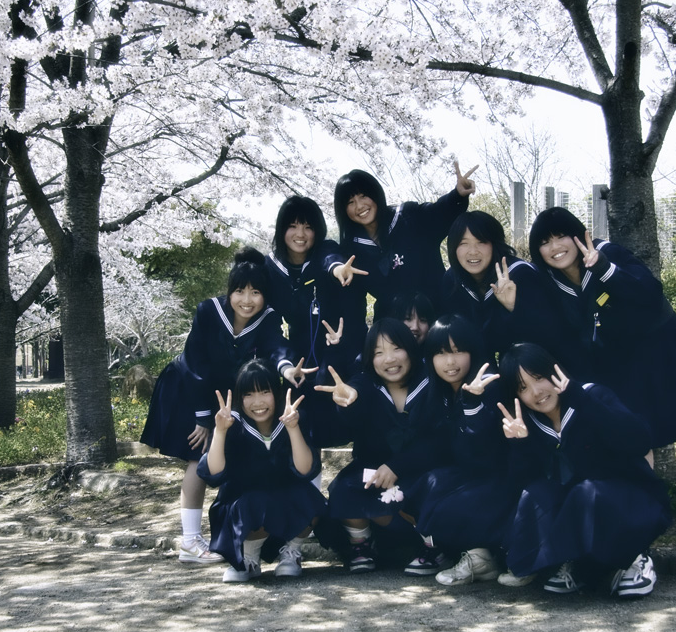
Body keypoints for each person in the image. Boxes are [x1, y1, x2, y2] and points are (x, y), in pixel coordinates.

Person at [140, 247, 292, 565]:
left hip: (225, 395)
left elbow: (276, 348)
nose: (247, 300)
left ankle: (229, 536)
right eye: (240, 291)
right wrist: (203, 418)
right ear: (230, 290)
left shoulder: (267, 318)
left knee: (223, 458)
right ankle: (190, 541)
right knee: (198, 457)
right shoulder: (208, 311)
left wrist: (286, 367)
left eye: (255, 292)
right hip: (187, 388)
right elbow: (195, 363)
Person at [495, 343, 672, 597]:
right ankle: (579, 564)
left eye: (539, 377)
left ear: (553, 370)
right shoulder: (528, 423)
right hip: (578, 506)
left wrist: (582, 402)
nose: (536, 392)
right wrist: (520, 445)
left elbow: (639, 440)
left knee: (589, 492)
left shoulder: (591, 395)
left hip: (627, 498)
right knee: (535, 495)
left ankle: (636, 557)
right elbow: (524, 482)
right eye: (523, 388)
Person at [528, 207, 676, 450]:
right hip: (605, 358)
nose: (555, 247)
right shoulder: (547, 280)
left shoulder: (608, 253)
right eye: (545, 242)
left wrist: (604, 269)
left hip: (651, 351)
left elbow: (650, 293)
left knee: (649, 426)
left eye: (561, 236)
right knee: (619, 426)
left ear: (578, 235)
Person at [315, 318, 448, 575]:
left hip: (421, 469)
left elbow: (439, 441)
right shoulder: (368, 383)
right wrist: (349, 401)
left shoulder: (431, 383)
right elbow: (354, 397)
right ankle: (362, 545)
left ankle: (434, 547)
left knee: (426, 490)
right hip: (376, 471)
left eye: (397, 348)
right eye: (378, 352)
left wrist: (397, 466)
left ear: (410, 349)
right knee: (344, 489)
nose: (389, 359)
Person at [402, 315, 515, 586]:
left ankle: (482, 558)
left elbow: (486, 452)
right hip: (467, 475)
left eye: (458, 351)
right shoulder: (440, 391)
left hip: (501, 481)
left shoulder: (489, 386)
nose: (450, 362)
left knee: (442, 501)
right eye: (441, 353)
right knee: (413, 490)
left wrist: (473, 405)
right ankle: (473, 554)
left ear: (473, 352)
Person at [198, 359, 326, 582]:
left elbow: (305, 469)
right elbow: (213, 472)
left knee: (312, 499)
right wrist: (220, 431)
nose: (257, 402)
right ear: (240, 397)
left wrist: (293, 428)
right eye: (248, 394)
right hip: (243, 510)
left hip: (284, 505)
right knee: (256, 502)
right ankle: (248, 558)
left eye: (265, 392)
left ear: (276, 392)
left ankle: (291, 553)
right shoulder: (233, 424)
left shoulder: (291, 418)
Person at [332, 162, 477, 321]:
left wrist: (458, 195)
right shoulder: (351, 249)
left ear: (375, 194)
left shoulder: (409, 217)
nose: (359, 206)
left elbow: (439, 213)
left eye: (363, 196)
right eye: (350, 202)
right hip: (394, 326)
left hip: (438, 316)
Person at [265, 195, 368, 387]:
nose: (301, 234)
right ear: (281, 229)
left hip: (336, 348)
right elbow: (269, 327)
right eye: (293, 226)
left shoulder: (324, 250)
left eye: (308, 227)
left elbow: (330, 259)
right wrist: (284, 363)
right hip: (297, 356)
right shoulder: (270, 269)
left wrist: (337, 269)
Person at [441, 211, 550, 360]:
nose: (473, 251)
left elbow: (544, 333)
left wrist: (514, 307)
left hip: (527, 360)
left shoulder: (521, 274)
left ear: (495, 244)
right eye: (463, 243)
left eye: (481, 242)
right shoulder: (452, 279)